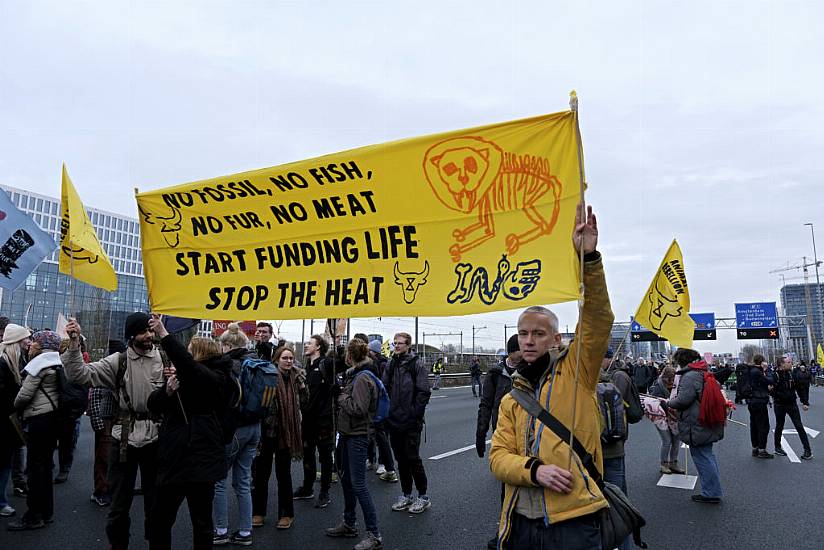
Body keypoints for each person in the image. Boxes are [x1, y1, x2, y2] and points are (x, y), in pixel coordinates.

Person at [490, 204, 610, 549]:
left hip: (573, 517)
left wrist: (589, 260)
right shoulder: (512, 398)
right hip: (519, 520)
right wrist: (534, 470)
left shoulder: (578, 372)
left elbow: (598, 319)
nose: (529, 340)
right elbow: (498, 458)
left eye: (539, 334)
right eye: (523, 333)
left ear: (556, 338)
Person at [62, 314, 163, 549]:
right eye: (143, 332)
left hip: (157, 437)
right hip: (123, 437)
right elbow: (79, 374)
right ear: (131, 336)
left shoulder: (164, 357)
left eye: (150, 331)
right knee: (119, 503)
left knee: (156, 503)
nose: (149, 336)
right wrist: (75, 344)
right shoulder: (117, 361)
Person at [325, 338, 384, 550]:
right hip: (349, 433)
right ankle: (349, 523)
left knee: (358, 485)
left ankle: (374, 534)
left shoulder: (362, 378)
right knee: (347, 480)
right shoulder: (357, 375)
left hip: (357, 436)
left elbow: (358, 409)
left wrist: (339, 396)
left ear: (350, 356)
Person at [9, 330, 61, 531]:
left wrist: (15, 405)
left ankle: (33, 516)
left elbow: (23, 395)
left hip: (39, 420)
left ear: (42, 346)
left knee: (35, 469)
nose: (31, 345)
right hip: (53, 419)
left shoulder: (40, 365)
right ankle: (47, 512)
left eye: (35, 342)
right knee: (46, 468)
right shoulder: (57, 363)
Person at [213, 323, 260, 546]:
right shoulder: (257, 362)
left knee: (220, 481)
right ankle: (245, 532)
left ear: (228, 345)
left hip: (234, 429)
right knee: (243, 482)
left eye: (222, 345)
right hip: (255, 427)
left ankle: (221, 530)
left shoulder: (228, 365)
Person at [252, 345, 306, 531]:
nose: (289, 361)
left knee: (284, 475)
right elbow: (262, 403)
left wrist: (303, 385)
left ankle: (286, 514)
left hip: (287, 432)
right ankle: (258, 512)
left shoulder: (297, 377)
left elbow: (305, 401)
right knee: (262, 475)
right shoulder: (269, 376)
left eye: (291, 358)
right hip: (268, 431)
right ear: (276, 360)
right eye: (285, 358)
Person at [664, 348, 725, 504]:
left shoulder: (690, 376)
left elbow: (683, 400)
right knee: (707, 456)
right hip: (706, 420)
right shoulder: (703, 372)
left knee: (702, 457)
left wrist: (668, 403)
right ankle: (713, 490)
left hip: (697, 423)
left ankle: (710, 493)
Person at [477, 333, 519, 550]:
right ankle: (505, 532)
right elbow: (486, 403)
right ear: (512, 352)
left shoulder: (533, 370)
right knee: (508, 484)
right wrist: (480, 431)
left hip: (528, 434)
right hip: (502, 432)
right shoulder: (495, 374)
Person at [382, 332, 431, 514]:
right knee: (401, 460)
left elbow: (423, 391)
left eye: (400, 343)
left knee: (413, 459)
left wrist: (414, 415)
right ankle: (406, 494)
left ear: (408, 345)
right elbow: (384, 387)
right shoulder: (391, 364)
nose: (397, 346)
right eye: (395, 343)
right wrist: (386, 413)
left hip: (411, 421)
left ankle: (423, 496)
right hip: (394, 420)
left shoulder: (416, 364)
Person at [293, 334, 334, 509]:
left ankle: (325, 492)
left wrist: (336, 340)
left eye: (310, 343)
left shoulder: (326, 364)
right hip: (307, 420)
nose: (306, 345)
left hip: (323, 420)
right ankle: (307, 487)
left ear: (318, 347)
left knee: (325, 456)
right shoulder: (306, 367)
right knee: (308, 454)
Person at [86, 340, 123, 507]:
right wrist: (100, 424)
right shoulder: (107, 370)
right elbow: (94, 397)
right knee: (103, 459)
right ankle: (101, 491)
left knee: (114, 459)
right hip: (105, 423)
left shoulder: (118, 368)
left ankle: (110, 489)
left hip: (116, 423)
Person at [0, 323, 30, 519]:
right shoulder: (3, 364)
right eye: (25, 339)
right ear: (15, 343)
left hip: (8, 423)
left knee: (5, 464)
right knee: (3, 464)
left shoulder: (14, 362)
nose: (28, 342)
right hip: (4, 424)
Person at [365, 339, 396, 481]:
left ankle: (383, 464)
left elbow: (384, 385)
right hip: (375, 403)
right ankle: (372, 460)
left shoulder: (383, 364)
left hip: (381, 404)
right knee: (373, 435)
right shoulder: (372, 363)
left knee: (381, 435)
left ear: (374, 352)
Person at [773, 356, 813, 460]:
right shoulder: (775, 375)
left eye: (791, 362)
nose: (791, 364)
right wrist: (775, 393)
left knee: (799, 426)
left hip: (792, 404)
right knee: (779, 426)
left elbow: (800, 388)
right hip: (779, 404)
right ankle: (777, 447)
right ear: (781, 364)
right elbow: (770, 390)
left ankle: (807, 450)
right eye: (789, 362)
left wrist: (805, 402)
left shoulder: (792, 374)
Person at [648, 366, 685, 474]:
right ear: (666, 377)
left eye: (674, 378)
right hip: (661, 417)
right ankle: (664, 464)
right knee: (667, 440)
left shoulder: (677, 385)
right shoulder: (658, 385)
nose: (673, 381)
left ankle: (673, 463)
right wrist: (666, 403)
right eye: (671, 378)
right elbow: (653, 401)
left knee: (676, 440)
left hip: (674, 416)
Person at [748, 354, 775, 459]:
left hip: (752, 401)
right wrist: (766, 370)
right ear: (762, 361)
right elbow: (770, 380)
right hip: (759, 401)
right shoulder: (758, 372)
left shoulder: (751, 370)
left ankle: (755, 448)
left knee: (754, 425)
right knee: (763, 426)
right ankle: (761, 450)